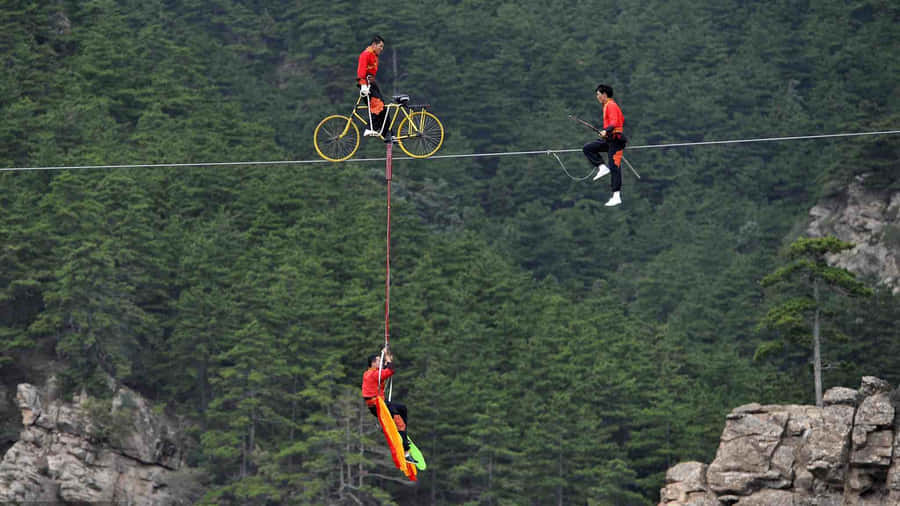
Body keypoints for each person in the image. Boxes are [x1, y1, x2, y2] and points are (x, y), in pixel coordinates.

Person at [362, 347, 417, 464]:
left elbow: (387, 368)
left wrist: (387, 357)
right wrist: (387, 358)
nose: (381, 362)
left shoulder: (373, 373)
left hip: (381, 403)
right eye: (379, 360)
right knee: (399, 422)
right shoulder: (372, 374)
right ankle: (406, 453)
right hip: (377, 405)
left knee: (402, 408)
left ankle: (402, 431)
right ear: (373, 363)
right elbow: (390, 370)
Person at [582, 84, 627, 207]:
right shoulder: (608, 105)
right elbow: (621, 119)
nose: (597, 97)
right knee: (588, 148)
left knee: (614, 166)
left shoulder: (611, 105)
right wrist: (606, 133)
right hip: (609, 139)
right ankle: (602, 167)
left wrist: (606, 131)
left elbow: (615, 122)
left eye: (598, 94)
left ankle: (616, 196)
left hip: (616, 141)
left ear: (604, 94)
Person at [357, 35, 393, 142]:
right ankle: (369, 128)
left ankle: (388, 133)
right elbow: (361, 71)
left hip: (372, 84)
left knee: (384, 108)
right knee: (377, 105)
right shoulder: (366, 54)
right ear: (374, 45)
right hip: (366, 84)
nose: (381, 49)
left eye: (382, 47)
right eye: (380, 46)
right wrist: (363, 85)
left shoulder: (374, 55)